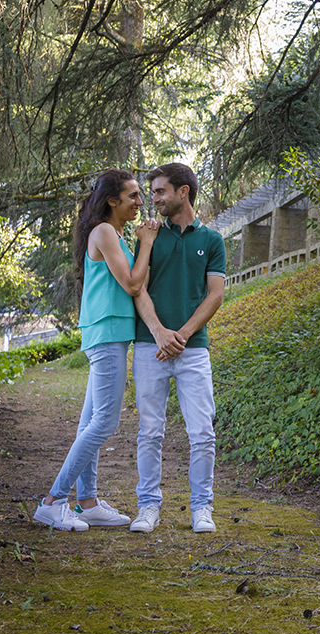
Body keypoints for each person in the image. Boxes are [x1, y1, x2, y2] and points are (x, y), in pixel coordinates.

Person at [34, 169, 160, 531]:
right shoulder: (104, 232)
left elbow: (136, 279)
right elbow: (134, 284)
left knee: (90, 423)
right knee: (105, 422)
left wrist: (138, 246)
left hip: (111, 331)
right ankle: (53, 501)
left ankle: (87, 502)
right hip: (106, 332)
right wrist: (147, 242)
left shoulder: (116, 235)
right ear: (112, 200)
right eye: (134, 196)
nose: (140, 202)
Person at [128, 163, 226, 534]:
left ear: (183, 192)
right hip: (150, 347)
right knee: (150, 432)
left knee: (203, 432)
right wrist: (159, 333)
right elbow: (138, 289)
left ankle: (202, 507)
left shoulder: (212, 241)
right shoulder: (149, 238)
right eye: (152, 192)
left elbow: (215, 295)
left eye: (159, 191)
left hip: (194, 350)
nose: (153, 199)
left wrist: (180, 335)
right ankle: (147, 506)